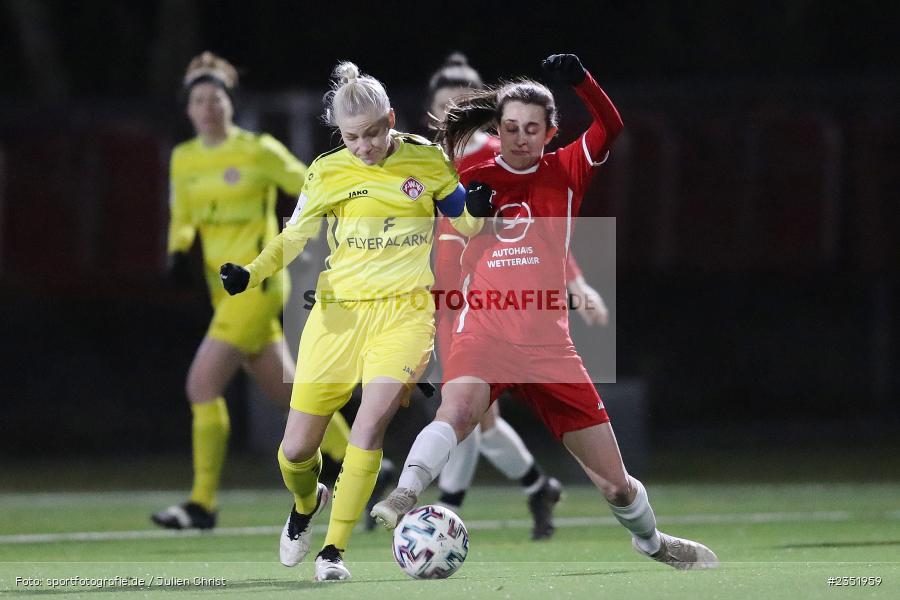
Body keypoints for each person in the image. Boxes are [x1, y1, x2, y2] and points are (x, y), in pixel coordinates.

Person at [373, 54, 718, 570]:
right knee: (458, 411)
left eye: (532, 129)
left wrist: (581, 80)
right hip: (485, 329)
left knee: (616, 487)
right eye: (510, 127)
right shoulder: (470, 173)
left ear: (551, 132)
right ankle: (405, 492)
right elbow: (438, 237)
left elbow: (611, 124)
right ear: (498, 127)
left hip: (549, 346)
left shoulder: (567, 169)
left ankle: (652, 543)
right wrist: (468, 218)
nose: (519, 138)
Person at [218, 61, 486, 581]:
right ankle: (304, 506)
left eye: (373, 133)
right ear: (339, 133)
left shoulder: (426, 161)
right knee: (295, 451)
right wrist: (250, 274)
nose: (363, 146)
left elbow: (468, 222)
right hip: (337, 316)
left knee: (370, 424)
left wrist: (475, 207)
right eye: (352, 137)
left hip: (404, 315)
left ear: (390, 119)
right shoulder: (326, 171)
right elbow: (293, 238)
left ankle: (333, 553)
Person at [151, 51, 356, 531]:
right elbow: (182, 217)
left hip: (256, 283)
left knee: (201, 384)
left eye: (215, 97)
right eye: (198, 100)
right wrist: (178, 250)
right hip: (221, 291)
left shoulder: (258, 149)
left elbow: (310, 182)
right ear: (188, 109)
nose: (207, 107)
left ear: (230, 102)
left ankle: (202, 503)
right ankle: (365, 462)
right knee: (287, 391)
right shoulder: (184, 158)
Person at [425, 53, 610, 540]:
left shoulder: (490, 157)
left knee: (464, 414)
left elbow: (533, 230)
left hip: (479, 305)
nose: (449, 115)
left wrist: (574, 281)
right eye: (443, 106)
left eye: (457, 105)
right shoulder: (426, 160)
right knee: (470, 419)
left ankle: (442, 517)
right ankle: (535, 487)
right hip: (440, 295)